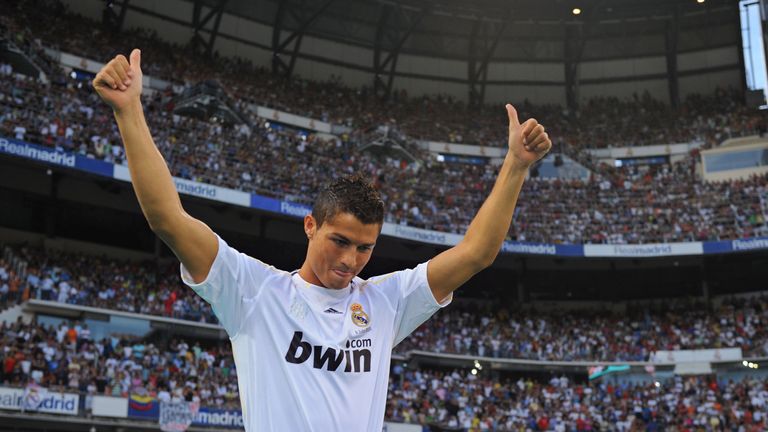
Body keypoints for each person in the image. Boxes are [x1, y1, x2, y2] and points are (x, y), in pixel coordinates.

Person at [92, 49, 552, 431]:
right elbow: (167, 219)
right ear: (310, 225)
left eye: (365, 247)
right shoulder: (254, 292)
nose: (351, 259)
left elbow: (477, 253)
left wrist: (515, 166)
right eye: (340, 240)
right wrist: (129, 110)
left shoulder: (386, 304)